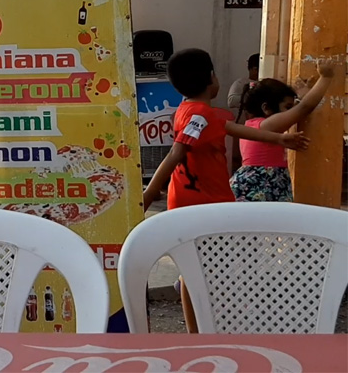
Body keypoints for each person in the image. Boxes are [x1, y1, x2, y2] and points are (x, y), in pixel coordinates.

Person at [141, 48, 309, 334]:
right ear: (211, 79)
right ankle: (206, 330)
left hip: (194, 203)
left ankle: (200, 332)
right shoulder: (200, 115)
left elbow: (233, 129)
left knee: (193, 271)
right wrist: (146, 197)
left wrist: (280, 139)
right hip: (203, 205)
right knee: (208, 270)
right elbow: (176, 153)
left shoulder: (190, 109)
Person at [230, 60, 337, 202]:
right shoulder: (267, 126)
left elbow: (299, 108)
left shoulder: (252, 125)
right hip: (262, 185)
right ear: (266, 108)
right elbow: (304, 109)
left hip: (255, 184)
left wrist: (303, 95)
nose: (291, 111)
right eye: (287, 107)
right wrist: (326, 78)